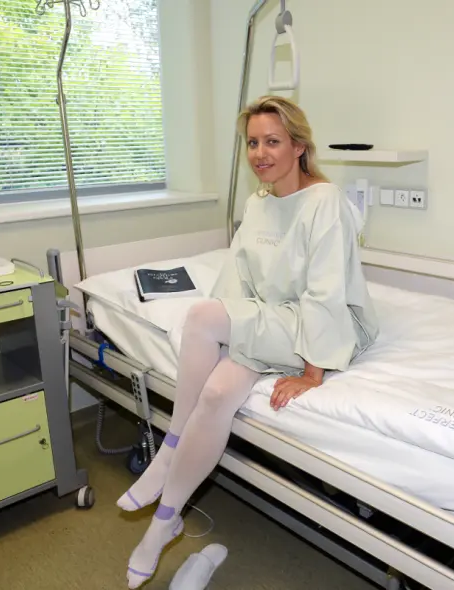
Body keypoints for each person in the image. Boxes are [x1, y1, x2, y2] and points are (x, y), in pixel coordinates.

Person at [117, 95, 379, 588]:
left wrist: (313, 372)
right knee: (216, 393)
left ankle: (170, 447)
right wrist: (232, 330)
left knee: (201, 316)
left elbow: (325, 291)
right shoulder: (258, 203)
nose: (260, 153)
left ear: (299, 146)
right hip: (270, 320)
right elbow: (237, 278)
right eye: (253, 142)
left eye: (272, 141)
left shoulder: (325, 202)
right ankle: (163, 522)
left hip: (314, 326)